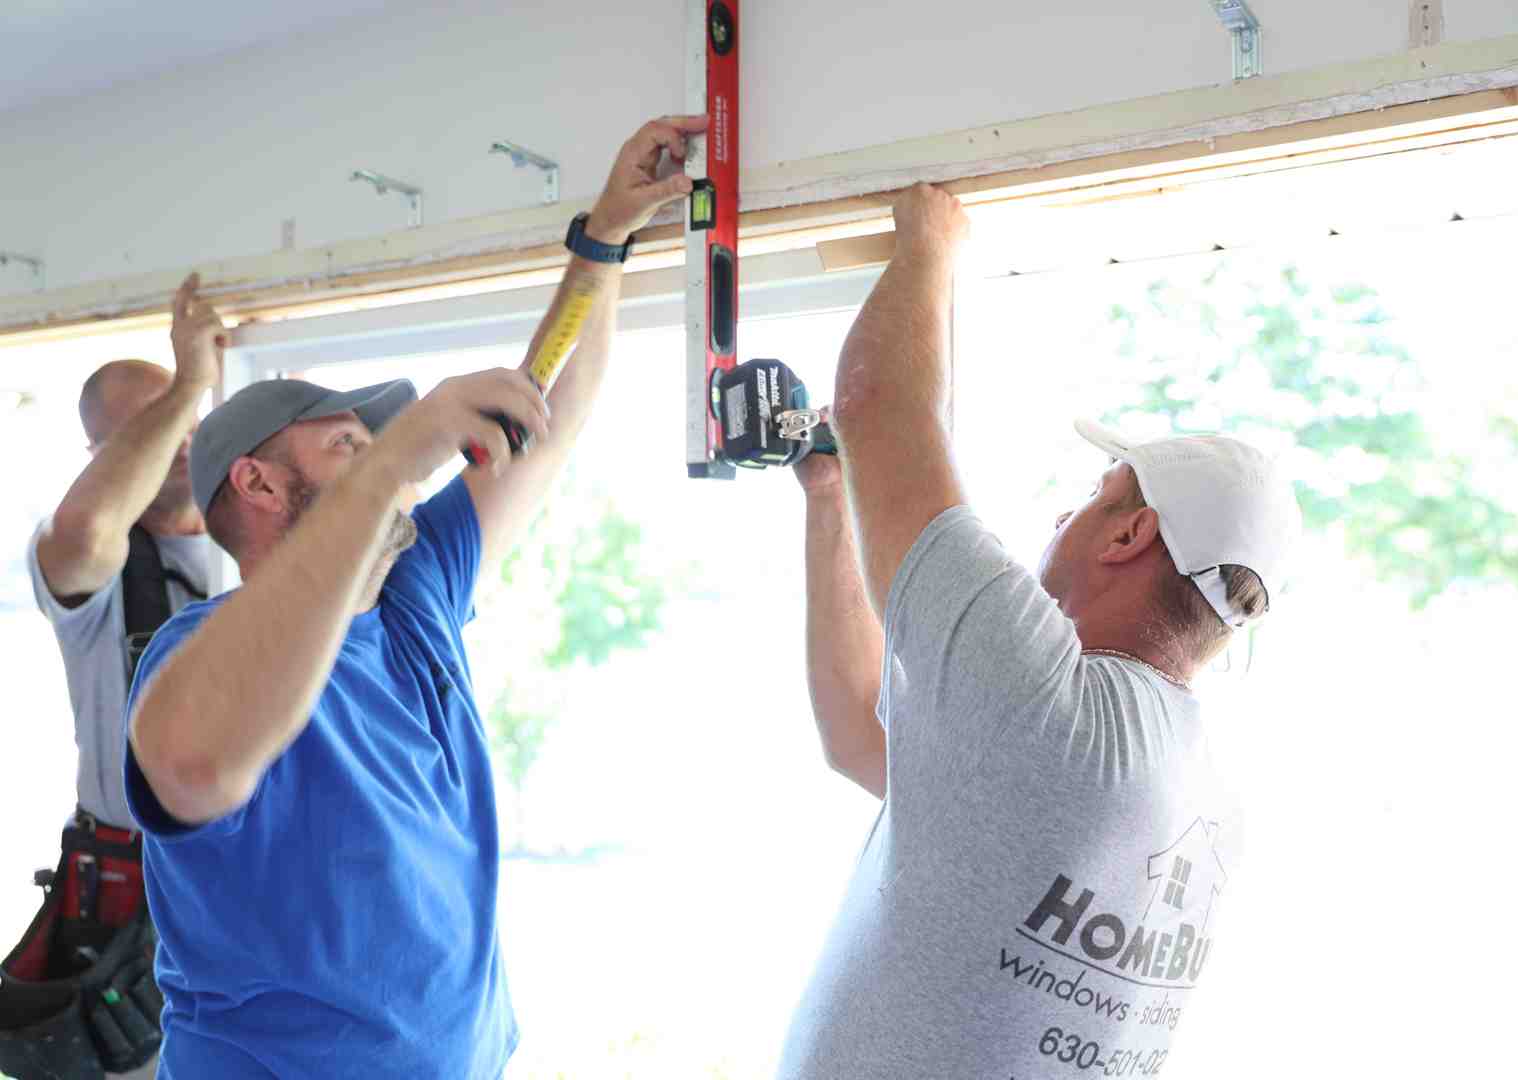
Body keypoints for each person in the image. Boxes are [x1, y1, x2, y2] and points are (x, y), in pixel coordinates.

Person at [121, 113, 704, 1079]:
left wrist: (604, 236)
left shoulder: (412, 591)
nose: (389, 477)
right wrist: (401, 451)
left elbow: (547, 424)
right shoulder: (197, 653)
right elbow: (188, 763)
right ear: (258, 487)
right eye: (350, 446)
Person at [777, 183, 1301, 1078]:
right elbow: (859, 734)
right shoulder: (1200, 792)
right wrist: (833, 499)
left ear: (1133, 536)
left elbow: (876, 402)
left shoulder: (1048, 704)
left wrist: (927, 240)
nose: (1064, 512)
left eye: (1094, 500)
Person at [7, 279, 225, 1079]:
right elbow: (88, 525)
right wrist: (191, 384)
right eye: (140, 430)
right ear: (100, 457)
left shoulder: (259, 544)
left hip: (252, 875)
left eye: (180, 419)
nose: (172, 442)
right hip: (137, 901)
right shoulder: (86, 568)